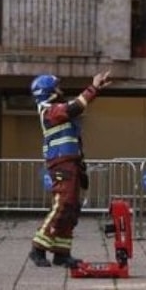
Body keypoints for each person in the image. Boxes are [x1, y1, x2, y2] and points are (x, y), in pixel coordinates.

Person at [28, 71, 112, 268]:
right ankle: (38, 248)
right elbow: (75, 107)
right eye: (56, 87)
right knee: (62, 205)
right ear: (48, 92)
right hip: (61, 163)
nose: (60, 90)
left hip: (70, 163)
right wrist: (94, 87)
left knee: (71, 210)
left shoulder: (55, 109)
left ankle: (61, 253)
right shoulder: (49, 111)